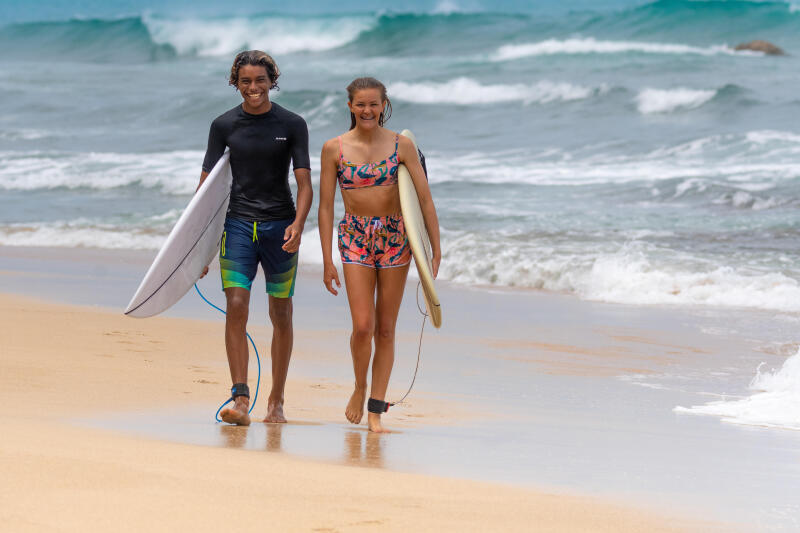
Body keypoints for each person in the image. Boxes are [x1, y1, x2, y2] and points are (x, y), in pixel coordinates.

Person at [318, 77, 441, 433]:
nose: (367, 110)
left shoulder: (402, 146)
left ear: (384, 105)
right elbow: (326, 207)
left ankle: (375, 410)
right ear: (350, 107)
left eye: (374, 104)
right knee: (363, 326)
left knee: (385, 330)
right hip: (355, 235)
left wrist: (434, 249)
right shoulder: (333, 149)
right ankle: (359, 386)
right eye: (360, 104)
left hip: (395, 237)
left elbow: (424, 199)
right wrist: (327, 259)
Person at [198, 50, 312, 426]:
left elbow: (305, 182)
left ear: (272, 81)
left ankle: (277, 400)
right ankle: (241, 397)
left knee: (281, 311)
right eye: (246, 81)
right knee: (236, 304)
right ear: (235, 82)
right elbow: (207, 190)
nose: (253, 88)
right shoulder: (223, 125)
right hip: (238, 226)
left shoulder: (292, 124)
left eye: (260, 80)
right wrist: (199, 248)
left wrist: (298, 222)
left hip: (280, 228)